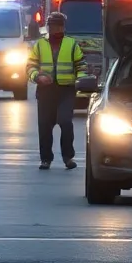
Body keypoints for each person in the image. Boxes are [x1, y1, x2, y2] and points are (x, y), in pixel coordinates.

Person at [26, 10, 86, 170]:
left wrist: (81, 79)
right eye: (53, 27)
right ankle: (46, 159)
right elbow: (30, 66)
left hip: (66, 91)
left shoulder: (72, 44)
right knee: (45, 126)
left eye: (59, 26)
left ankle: (68, 157)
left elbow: (81, 65)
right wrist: (37, 77)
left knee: (65, 122)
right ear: (48, 28)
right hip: (45, 92)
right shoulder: (40, 45)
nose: (56, 30)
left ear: (64, 27)